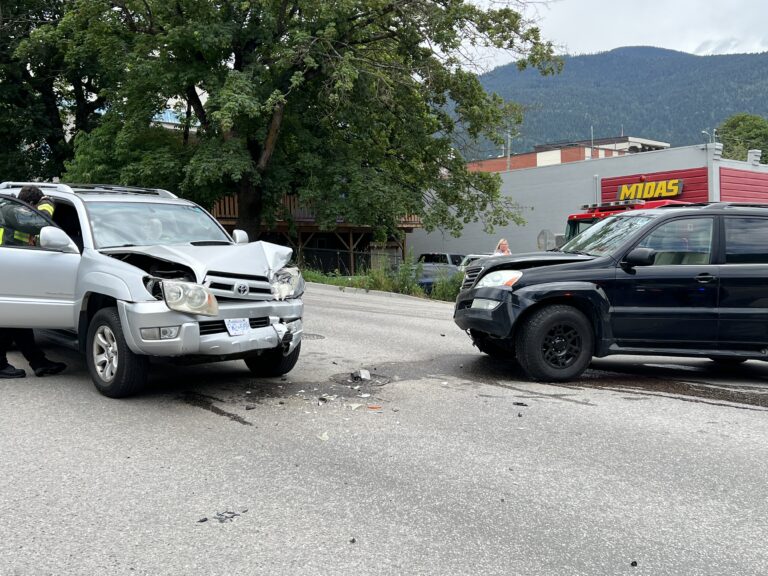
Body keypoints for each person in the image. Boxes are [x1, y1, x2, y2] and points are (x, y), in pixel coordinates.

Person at [0, 185, 67, 378]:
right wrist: (47, 204)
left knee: (17, 319)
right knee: (9, 320)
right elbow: (38, 222)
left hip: (13, 267)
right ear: (30, 204)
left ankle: (39, 362)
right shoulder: (10, 210)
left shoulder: (9, 209)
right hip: (7, 268)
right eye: (34, 206)